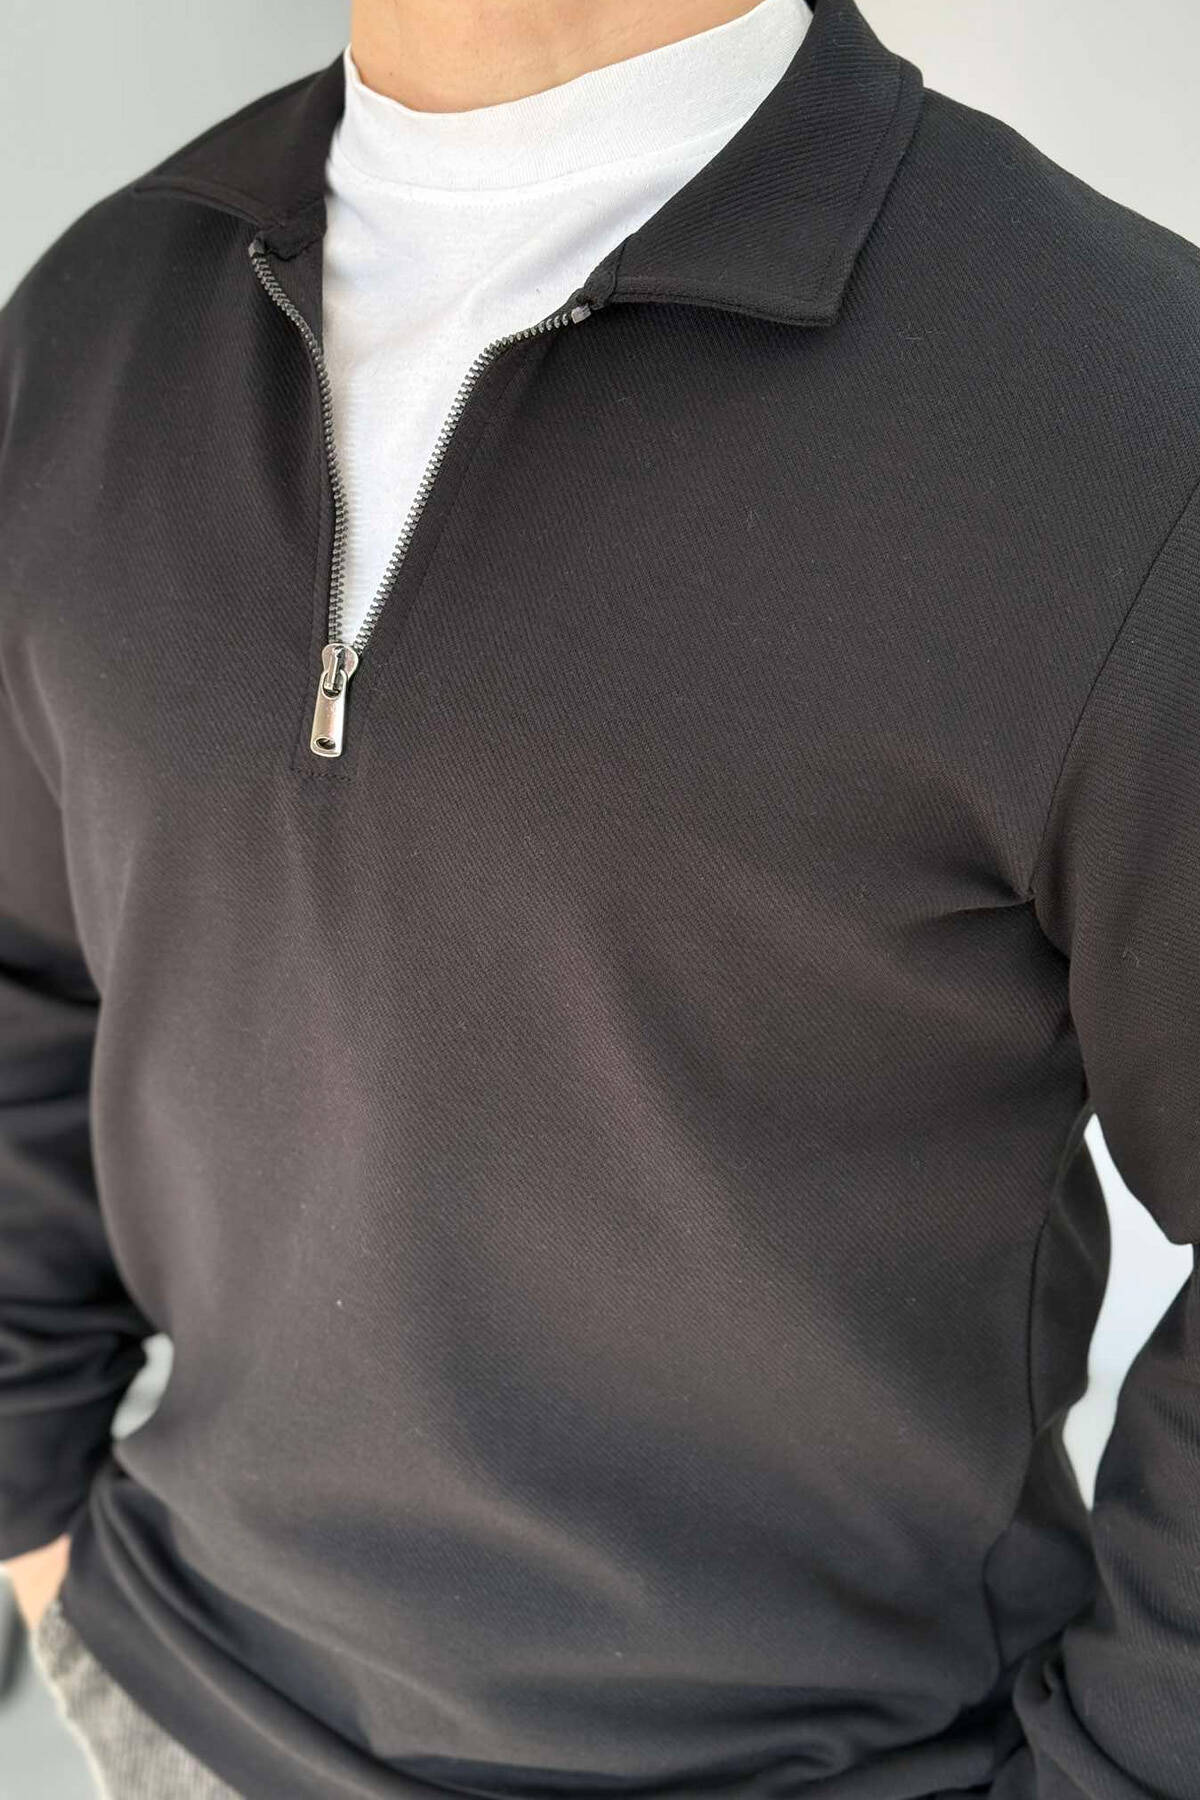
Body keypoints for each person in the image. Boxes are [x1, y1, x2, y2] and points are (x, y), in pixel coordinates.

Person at [2, 0, 1199, 1793]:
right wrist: (29, 1505)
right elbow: (28, 971)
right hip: (181, 1700)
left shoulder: (1129, 410)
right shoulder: (97, 322)